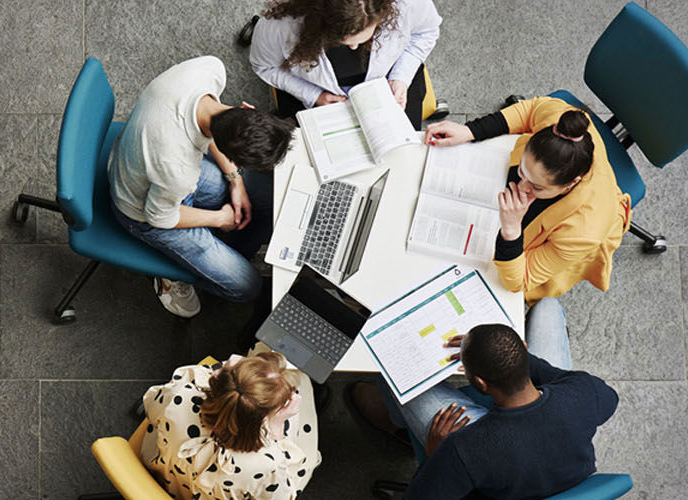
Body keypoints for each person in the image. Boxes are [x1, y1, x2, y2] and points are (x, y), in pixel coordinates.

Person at [347, 299, 619, 498]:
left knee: (395, 371)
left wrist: (433, 454)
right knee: (547, 306)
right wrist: (521, 361)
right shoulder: (583, 391)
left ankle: (398, 426)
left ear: (478, 383)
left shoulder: (462, 449)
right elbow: (611, 400)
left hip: (498, 470)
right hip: (559, 465)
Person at [109, 55, 296, 318]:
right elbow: (159, 217)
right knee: (247, 287)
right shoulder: (177, 169)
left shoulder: (210, 70)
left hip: (151, 159)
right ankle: (171, 275)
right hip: (140, 208)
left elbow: (214, 128)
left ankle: (221, 250)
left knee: (268, 198)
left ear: (247, 108)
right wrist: (220, 218)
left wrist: (236, 179)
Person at [424, 97, 632, 302]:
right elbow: (532, 109)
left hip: (575, 231)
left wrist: (512, 231)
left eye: (537, 186)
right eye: (523, 171)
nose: (521, 188)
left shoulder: (582, 232)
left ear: (570, 184)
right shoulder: (561, 126)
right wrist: (471, 131)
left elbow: (518, 281)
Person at [141, 352, 322, 499]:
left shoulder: (181, 395)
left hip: (164, 478)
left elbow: (150, 402)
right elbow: (283, 496)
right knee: (303, 388)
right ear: (262, 419)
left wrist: (217, 370)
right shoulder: (266, 463)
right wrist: (276, 428)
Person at [247, 0, 441, 127]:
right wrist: (315, 96)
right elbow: (264, 66)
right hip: (314, 91)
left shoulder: (409, 4)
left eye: (366, 37)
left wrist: (401, 78)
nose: (355, 48)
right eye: (344, 43)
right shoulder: (278, 28)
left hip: (392, 81)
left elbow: (426, 32)